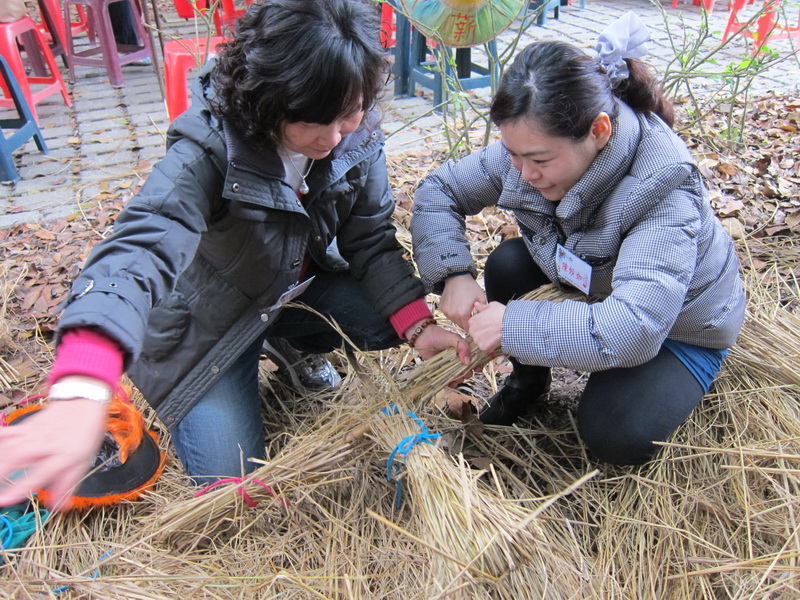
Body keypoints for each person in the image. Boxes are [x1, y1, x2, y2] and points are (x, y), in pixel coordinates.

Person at [0, 0, 469, 510]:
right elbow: (140, 248)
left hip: (294, 288)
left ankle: (293, 346)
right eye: (315, 122)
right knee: (234, 489)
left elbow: (369, 239)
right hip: (212, 322)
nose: (334, 138)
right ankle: (240, 364)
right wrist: (84, 382)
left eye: (349, 114)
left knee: (385, 323)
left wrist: (420, 326)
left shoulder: (354, 131)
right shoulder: (207, 150)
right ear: (271, 101)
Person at [410, 13, 746, 466]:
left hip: (679, 323)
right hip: (598, 277)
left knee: (616, 430)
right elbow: (440, 191)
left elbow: (637, 328)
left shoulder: (663, 187)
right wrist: (452, 274)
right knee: (508, 266)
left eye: (539, 160)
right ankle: (526, 383)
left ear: (599, 131)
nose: (524, 174)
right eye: (512, 154)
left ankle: (681, 378)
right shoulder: (534, 143)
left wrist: (513, 327)